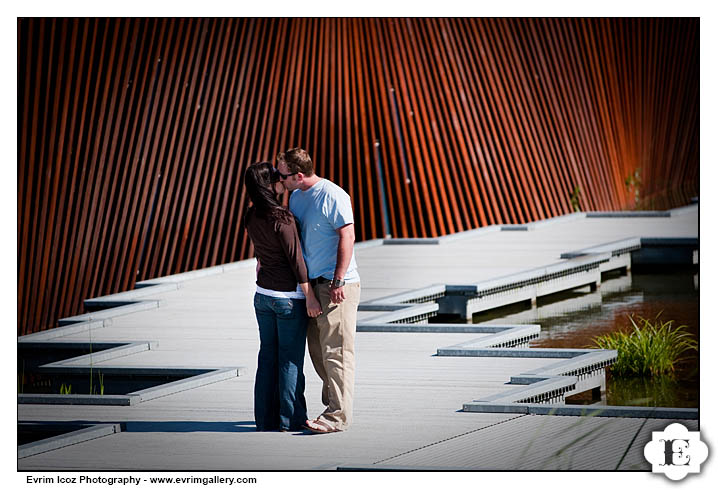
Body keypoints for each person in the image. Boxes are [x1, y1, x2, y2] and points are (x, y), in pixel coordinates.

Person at [276, 148, 361, 434]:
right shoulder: (297, 196)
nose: (280, 179)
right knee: (318, 352)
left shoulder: (333, 195)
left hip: (337, 285)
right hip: (312, 287)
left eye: (283, 175)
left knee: (336, 351)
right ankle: (332, 405)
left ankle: (337, 416)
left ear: (298, 175)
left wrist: (338, 280)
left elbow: (347, 236)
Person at [243, 162, 322, 432]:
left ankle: (265, 420)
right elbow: (296, 260)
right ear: (269, 185)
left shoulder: (251, 215)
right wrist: (310, 296)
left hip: (262, 295)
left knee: (267, 357)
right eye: (277, 178)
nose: (281, 181)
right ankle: (290, 419)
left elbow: (263, 251)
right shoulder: (283, 218)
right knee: (289, 359)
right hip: (287, 297)